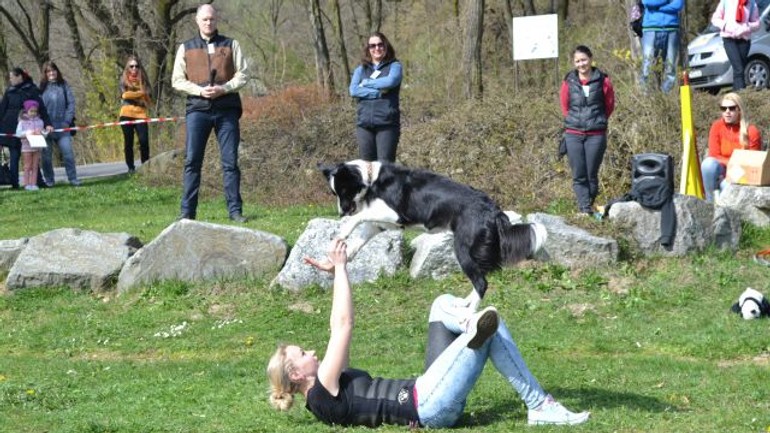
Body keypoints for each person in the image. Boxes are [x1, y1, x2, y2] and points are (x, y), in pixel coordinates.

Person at [266, 239, 590, 428]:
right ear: (295, 373)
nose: (312, 352)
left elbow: (337, 324)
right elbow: (343, 325)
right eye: (302, 354)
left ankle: (468, 327)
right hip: (428, 407)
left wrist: (338, 272)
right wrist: (340, 267)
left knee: (440, 305)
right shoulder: (322, 392)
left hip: (426, 388)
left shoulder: (325, 387)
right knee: (490, 324)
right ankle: (538, 404)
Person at [172, 3, 250, 223]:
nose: (208, 23)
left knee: (230, 162)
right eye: (205, 19)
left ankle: (235, 212)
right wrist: (199, 90)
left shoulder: (231, 44)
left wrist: (223, 89)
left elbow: (243, 74)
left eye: (212, 19)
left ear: (217, 21)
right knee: (192, 162)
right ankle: (187, 213)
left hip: (227, 110)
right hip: (197, 110)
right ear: (197, 21)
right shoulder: (185, 47)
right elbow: (177, 80)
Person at [560, 45, 615, 216]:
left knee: (591, 174)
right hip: (573, 134)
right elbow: (565, 105)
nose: (581, 64)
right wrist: (576, 121)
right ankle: (584, 208)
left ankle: (588, 204)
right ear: (573, 63)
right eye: (577, 61)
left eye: (583, 60)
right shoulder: (568, 81)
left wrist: (597, 120)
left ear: (590, 59)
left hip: (596, 135)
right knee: (579, 174)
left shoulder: (603, 81)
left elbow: (609, 105)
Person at [349, 32, 402, 162]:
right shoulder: (360, 70)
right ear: (368, 49)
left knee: (385, 169)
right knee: (367, 169)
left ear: (386, 46)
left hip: (387, 124)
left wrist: (366, 83)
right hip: (364, 125)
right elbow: (354, 90)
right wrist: (378, 93)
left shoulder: (395, 66)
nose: (376, 48)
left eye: (380, 44)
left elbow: (390, 82)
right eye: (372, 46)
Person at [701, 92, 761, 202]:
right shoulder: (716, 126)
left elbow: (754, 163)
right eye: (724, 109)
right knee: (708, 164)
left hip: (742, 172)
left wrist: (732, 170)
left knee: (725, 186)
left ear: (739, 110)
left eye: (732, 108)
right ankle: (709, 204)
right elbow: (714, 155)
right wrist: (729, 166)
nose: (727, 112)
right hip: (722, 170)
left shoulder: (751, 131)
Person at [0, 67, 53, 190]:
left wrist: (48, 124)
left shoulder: (31, 90)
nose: (10, 80)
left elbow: (42, 109)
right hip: (11, 128)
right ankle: (14, 184)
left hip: (30, 127)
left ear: (19, 77)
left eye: (12, 77)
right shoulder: (9, 91)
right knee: (14, 156)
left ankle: (37, 182)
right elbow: (1, 111)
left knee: (33, 155)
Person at [40, 61, 81, 186]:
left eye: (53, 70)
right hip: (46, 129)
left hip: (63, 128)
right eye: (48, 71)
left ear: (57, 71)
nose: (51, 73)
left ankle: (73, 179)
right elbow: (39, 109)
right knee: (46, 157)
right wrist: (44, 124)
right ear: (45, 74)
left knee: (68, 154)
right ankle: (49, 181)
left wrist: (67, 121)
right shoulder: (41, 88)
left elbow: (71, 104)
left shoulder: (64, 85)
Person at [712, 0, 761, 91]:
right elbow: (715, 19)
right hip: (729, 39)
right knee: (738, 68)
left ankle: (736, 93)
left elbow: (757, 23)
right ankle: (741, 93)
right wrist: (726, 26)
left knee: (739, 68)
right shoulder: (725, 1)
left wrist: (747, 27)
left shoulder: (751, 3)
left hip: (744, 40)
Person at [639, 0, 683, 94]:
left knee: (671, 68)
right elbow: (647, 2)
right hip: (651, 28)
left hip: (672, 28)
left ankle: (664, 96)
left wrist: (658, 7)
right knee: (647, 66)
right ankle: (646, 98)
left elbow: (678, 5)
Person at [119, 55, 152, 174]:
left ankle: (146, 166)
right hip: (126, 113)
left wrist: (140, 94)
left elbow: (149, 98)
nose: (134, 68)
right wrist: (140, 93)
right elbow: (125, 95)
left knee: (144, 141)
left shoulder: (144, 80)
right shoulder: (123, 79)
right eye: (131, 66)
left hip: (141, 113)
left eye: (136, 66)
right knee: (129, 142)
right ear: (127, 67)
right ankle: (131, 167)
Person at [16, 100, 45, 190]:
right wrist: (28, 132)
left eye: (35, 111)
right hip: (26, 148)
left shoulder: (40, 121)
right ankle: (26, 184)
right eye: (31, 111)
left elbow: (44, 133)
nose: (33, 113)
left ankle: (34, 184)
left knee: (35, 166)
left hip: (37, 147)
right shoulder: (22, 122)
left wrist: (42, 133)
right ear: (26, 111)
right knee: (27, 166)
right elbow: (18, 133)